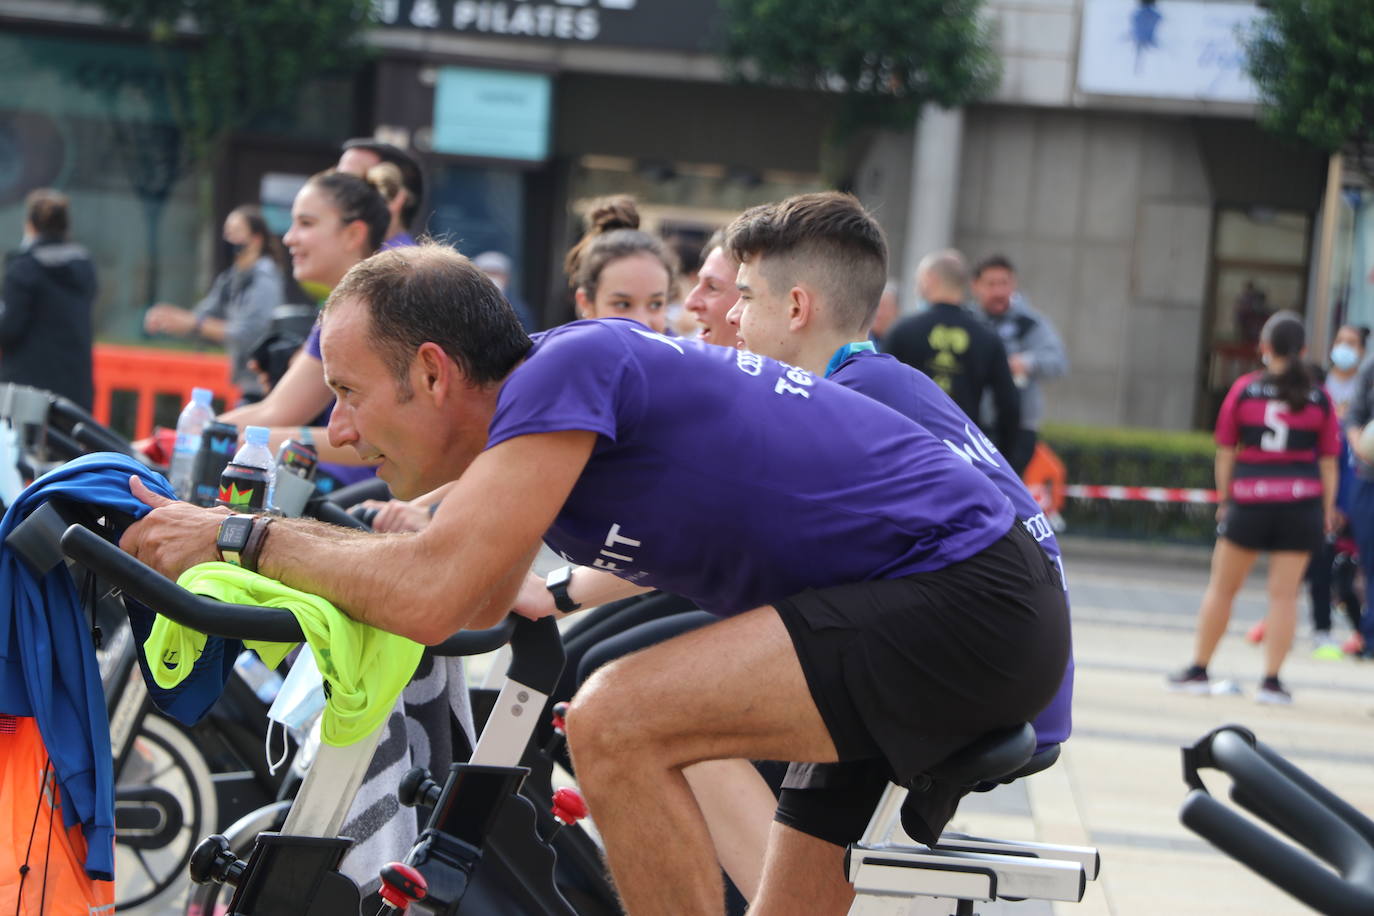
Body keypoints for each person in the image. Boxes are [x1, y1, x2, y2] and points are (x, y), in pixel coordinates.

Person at [120, 242, 1070, 916]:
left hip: (963, 596)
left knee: (619, 717)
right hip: (905, 599)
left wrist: (240, 538)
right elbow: (460, 583)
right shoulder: (546, 411)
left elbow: (442, 596)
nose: (335, 432)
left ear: (438, 374)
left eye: (350, 393)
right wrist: (296, 543)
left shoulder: (571, 365)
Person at [1168, 311, 1340, 703]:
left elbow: (1226, 451)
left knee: (1223, 588)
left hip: (1250, 501)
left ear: (1264, 348)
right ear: (1303, 350)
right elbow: (1329, 462)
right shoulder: (1319, 399)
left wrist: (1225, 498)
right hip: (1301, 504)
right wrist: (1326, 509)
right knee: (1284, 596)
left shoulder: (1245, 390)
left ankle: (1199, 670)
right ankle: (1272, 682)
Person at [218, 168, 390, 487]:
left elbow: (387, 440)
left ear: (354, 234)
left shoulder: (386, 304)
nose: (288, 237)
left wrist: (220, 438)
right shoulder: (339, 307)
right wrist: (195, 434)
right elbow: (276, 411)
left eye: (306, 223)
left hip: (363, 499)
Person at [883, 251, 1022, 457]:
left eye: (919, 281)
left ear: (930, 280)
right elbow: (1009, 406)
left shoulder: (903, 331)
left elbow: (880, 391)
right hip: (963, 454)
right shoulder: (987, 338)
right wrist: (1001, 458)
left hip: (909, 449)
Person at [143, 204, 287, 401]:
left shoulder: (265, 279)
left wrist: (195, 324)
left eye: (236, 232)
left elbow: (251, 332)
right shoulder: (230, 279)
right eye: (227, 233)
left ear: (256, 239)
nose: (229, 239)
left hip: (265, 386)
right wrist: (170, 318)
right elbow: (203, 316)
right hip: (244, 383)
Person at [971, 255, 1069, 474]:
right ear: (975, 286)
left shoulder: (1029, 323)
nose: (998, 291)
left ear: (1013, 284)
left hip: (1018, 429)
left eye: (1004, 283)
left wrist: (1025, 363)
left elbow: (1058, 361)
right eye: (991, 284)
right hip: (972, 425)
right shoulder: (968, 322)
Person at [0, 188, 97, 410]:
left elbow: (8, 330)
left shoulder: (24, 268)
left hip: (27, 391)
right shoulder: (84, 266)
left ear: (30, 225)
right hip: (75, 387)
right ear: (66, 226)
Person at [564, 196, 674, 334]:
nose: (642, 322)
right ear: (585, 303)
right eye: (623, 304)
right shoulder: (551, 354)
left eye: (655, 304)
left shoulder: (685, 354)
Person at [337, 138, 425, 246]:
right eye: (336, 179)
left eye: (351, 183)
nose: (335, 192)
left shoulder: (406, 261)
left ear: (394, 197)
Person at [473, 250, 538, 332]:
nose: (491, 277)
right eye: (485, 272)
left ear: (506, 277)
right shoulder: (465, 306)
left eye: (495, 273)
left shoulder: (519, 310)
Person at [869, 279, 899, 347]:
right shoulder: (861, 343)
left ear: (896, 310)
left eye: (884, 307)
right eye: (875, 307)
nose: (878, 314)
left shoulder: (904, 342)